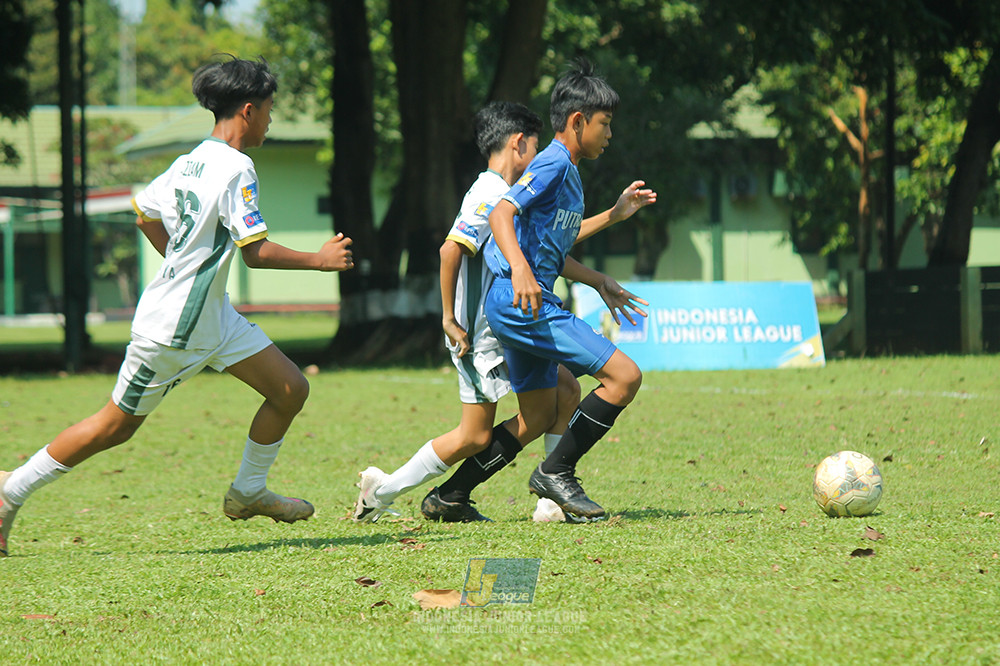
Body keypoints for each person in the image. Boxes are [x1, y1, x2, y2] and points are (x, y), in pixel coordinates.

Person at [0, 56, 354, 557]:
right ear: (248, 110)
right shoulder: (237, 167)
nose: (271, 120)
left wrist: (182, 263)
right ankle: (9, 491)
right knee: (115, 425)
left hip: (213, 316)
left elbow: (144, 212)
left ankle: (248, 492)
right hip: (174, 327)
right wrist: (319, 260)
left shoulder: (192, 159)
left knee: (290, 388)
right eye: (269, 110)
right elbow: (254, 252)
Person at [353, 100, 654, 524]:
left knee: (559, 395)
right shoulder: (491, 192)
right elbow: (451, 249)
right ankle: (386, 490)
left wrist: (609, 226)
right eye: (536, 144)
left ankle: (539, 499)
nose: (540, 153)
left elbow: (550, 246)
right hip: (480, 333)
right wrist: (448, 318)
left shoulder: (524, 188)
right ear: (519, 143)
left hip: (507, 320)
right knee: (473, 434)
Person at [480, 57, 648, 521]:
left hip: (518, 301)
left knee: (536, 416)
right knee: (625, 377)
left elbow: (555, 245)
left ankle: (451, 494)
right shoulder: (553, 162)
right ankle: (556, 472)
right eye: (605, 123)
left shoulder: (567, 171)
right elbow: (500, 214)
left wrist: (612, 221)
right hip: (523, 302)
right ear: (577, 121)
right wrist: (520, 269)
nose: (609, 134)